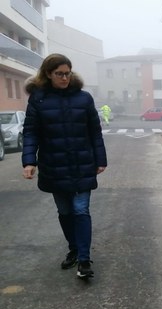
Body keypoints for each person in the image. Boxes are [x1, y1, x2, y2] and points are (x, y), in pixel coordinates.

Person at [22, 53, 107, 279]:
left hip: (81, 164)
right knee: (65, 212)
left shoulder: (84, 98)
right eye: (59, 74)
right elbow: (31, 133)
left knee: (81, 210)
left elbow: (95, 132)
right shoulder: (38, 100)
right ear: (48, 74)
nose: (64, 78)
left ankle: (84, 259)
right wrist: (29, 161)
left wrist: (101, 159)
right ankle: (74, 248)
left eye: (67, 73)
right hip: (53, 165)